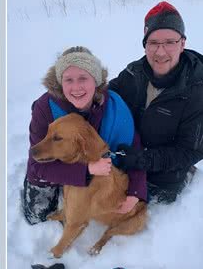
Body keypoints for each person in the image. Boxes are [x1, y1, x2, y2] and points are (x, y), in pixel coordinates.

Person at [22, 46, 147, 225]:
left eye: (83, 78)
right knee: (39, 219)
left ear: (95, 80)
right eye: (68, 80)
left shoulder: (114, 107)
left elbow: (135, 151)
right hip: (52, 167)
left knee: (83, 213)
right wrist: (86, 171)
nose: (76, 87)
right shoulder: (45, 109)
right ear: (60, 82)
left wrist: (136, 191)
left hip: (97, 170)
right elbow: (36, 164)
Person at [109, 1, 203, 204]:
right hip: (124, 163)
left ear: (182, 43)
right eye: (153, 43)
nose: (160, 52)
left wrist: (143, 159)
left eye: (169, 42)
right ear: (145, 45)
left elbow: (190, 150)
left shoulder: (197, 89)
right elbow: (102, 97)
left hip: (164, 179)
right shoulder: (133, 74)